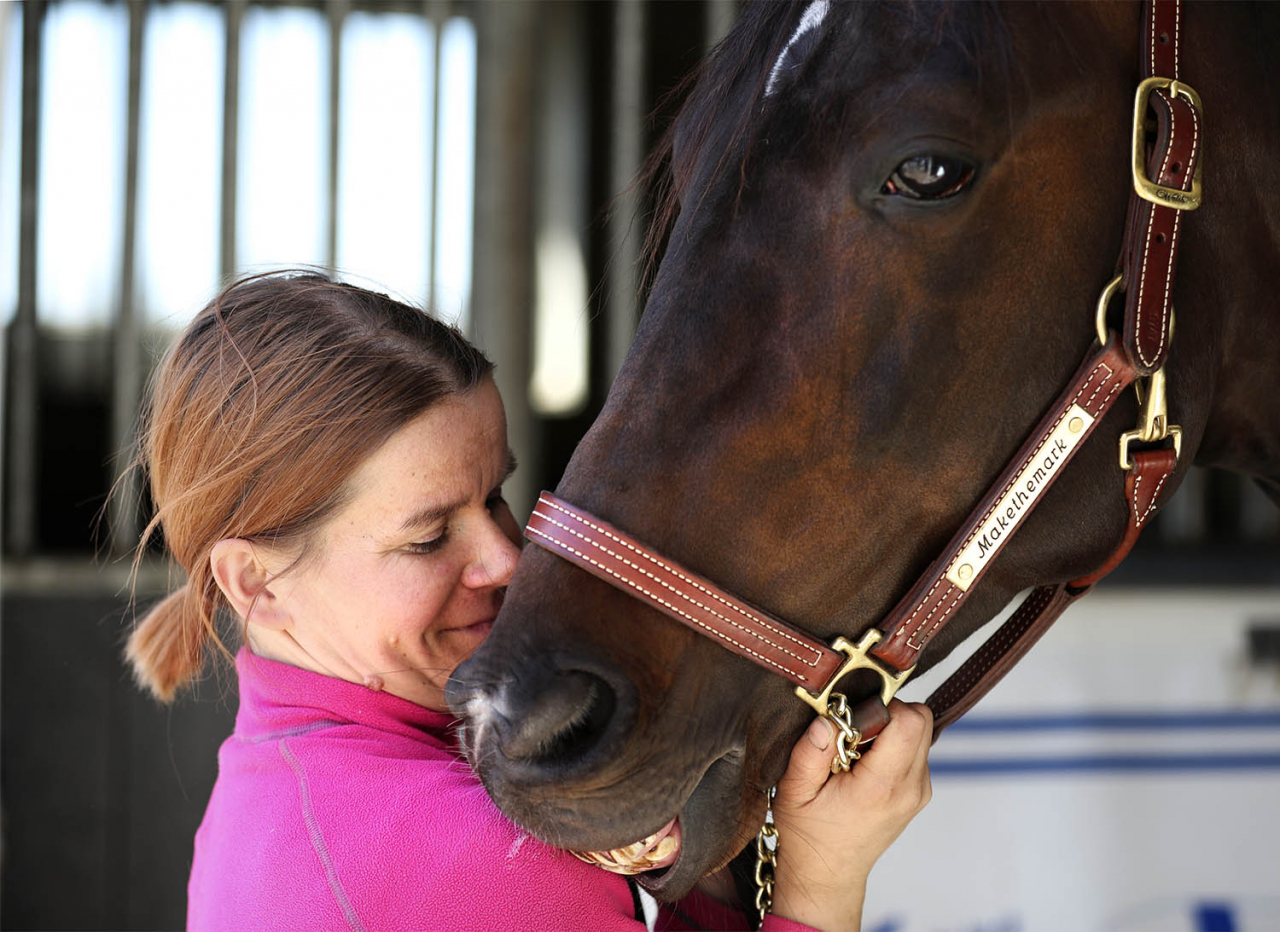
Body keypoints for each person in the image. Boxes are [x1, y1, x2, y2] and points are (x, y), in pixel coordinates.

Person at [125, 271, 933, 932]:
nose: (507, 558)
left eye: (496, 496)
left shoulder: (284, 789)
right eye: (428, 537)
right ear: (257, 584)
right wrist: (820, 884)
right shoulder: (468, 862)